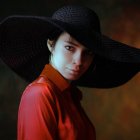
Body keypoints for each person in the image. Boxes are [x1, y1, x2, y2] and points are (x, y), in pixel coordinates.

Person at [0, 5, 140, 140]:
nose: (79, 61)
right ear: (51, 44)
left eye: (88, 52)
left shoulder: (69, 95)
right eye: (69, 47)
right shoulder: (40, 94)